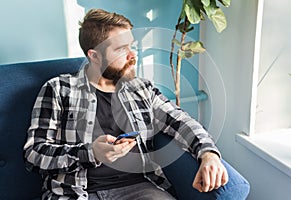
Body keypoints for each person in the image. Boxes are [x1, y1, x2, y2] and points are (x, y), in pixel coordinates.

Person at [23, 8, 249, 200]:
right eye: (121, 49)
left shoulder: (141, 89)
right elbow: (34, 154)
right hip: (74, 191)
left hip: (140, 188)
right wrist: (91, 153)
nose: (133, 56)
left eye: (131, 46)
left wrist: (208, 153)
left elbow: (180, 121)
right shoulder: (59, 89)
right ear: (94, 56)